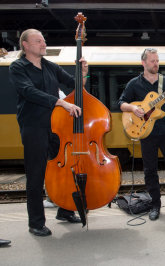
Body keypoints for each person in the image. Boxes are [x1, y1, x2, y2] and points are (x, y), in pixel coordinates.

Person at [9, 29, 87, 236]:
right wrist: (59, 102)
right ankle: (35, 223)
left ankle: (65, 210)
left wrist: (83, 73)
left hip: (57, 128)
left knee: (64, 170)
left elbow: (75, 85)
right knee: (36, 176)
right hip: (34, 127)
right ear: (25, 45)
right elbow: (28, 91)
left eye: (44, 40)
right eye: (38, 41)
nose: (44, 44)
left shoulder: (50, 66)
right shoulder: (18, 67)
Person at [118, 48, 165, 221]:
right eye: (152, 61)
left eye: (157, 60)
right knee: (150, 170)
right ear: (143, 63)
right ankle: (155, 206)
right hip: (146, 133)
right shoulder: (134, 84)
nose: (156, 64)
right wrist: (134, 108)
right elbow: (121, 103)